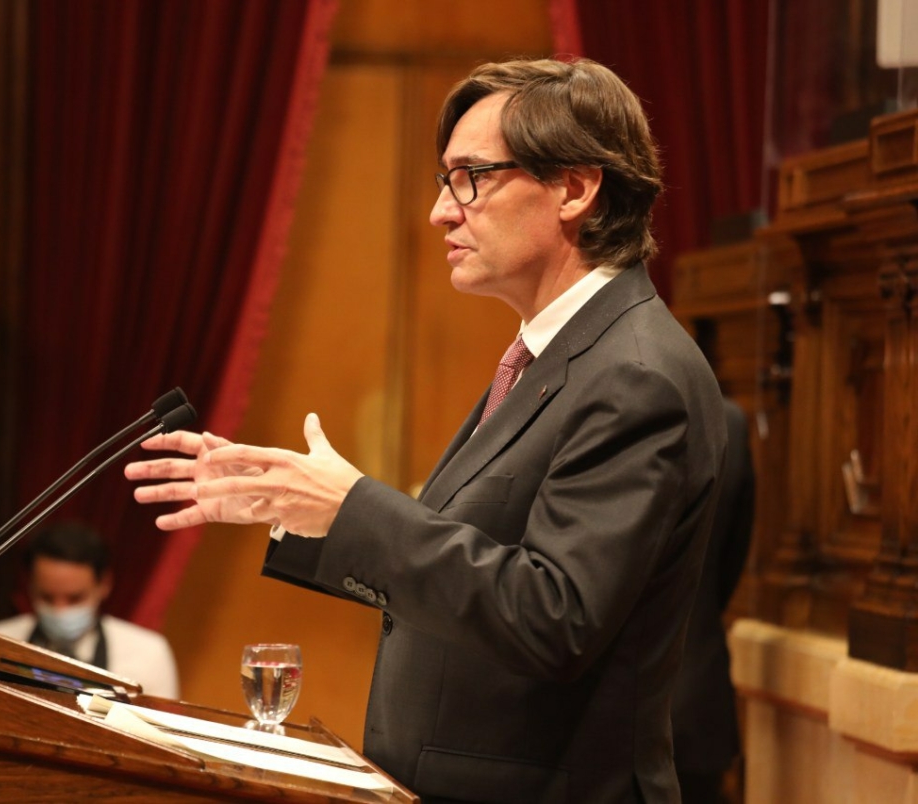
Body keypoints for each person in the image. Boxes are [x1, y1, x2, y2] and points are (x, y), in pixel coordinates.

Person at [126, 57, 726, 804]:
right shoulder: (558, 355)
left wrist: (354, 507)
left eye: (470, 177)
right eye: (446, 181)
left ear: (574, 188)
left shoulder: (634, 372)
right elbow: (468, 564)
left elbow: (553, 617)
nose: (441, 211)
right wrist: (299, 508)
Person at [0, 522, 179, 699]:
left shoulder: (148, 652)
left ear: (104, 584)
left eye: (75, 598)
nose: (60, 610)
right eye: (47, 597)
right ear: (29, 587)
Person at [672, 399, 755, 803]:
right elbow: (731, 561)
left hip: (600, 717)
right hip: (697, 690)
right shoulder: (728, 421)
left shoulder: (578, 400)